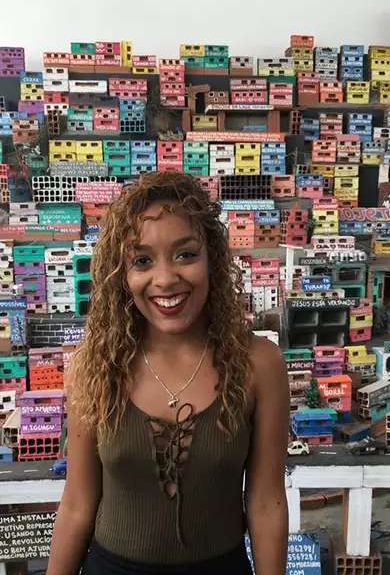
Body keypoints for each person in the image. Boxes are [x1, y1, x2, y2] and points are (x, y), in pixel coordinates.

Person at [46, 171, 290, 575]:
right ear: (121, 276)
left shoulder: (259, 364)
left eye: (185, 254)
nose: (164, 279)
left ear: (212, 257)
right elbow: (76, 504)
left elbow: (266, 504)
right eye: (142, 261)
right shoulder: (94, 367)